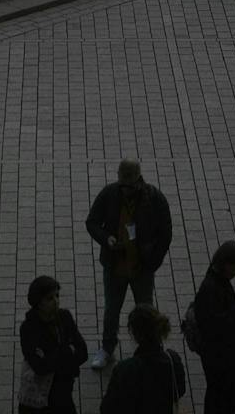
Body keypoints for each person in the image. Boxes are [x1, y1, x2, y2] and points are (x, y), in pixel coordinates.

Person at [85, 158, 174, 370]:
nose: (125, 190)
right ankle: (107, 348)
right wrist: (106, 239)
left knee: (145, 309)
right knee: (111, 310)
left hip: (141, 267)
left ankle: (151, 348)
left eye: (130, 186)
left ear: (138, 180)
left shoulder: (154, 199)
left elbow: (165, 233)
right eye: (123, 185)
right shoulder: (109, 194)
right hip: (115, 266)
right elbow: (92, 222)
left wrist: (153, 262)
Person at [190, 241, 235, 414]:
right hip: (219, 357)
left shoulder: (217, 280)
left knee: (223, 395)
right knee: (221, 397)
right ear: (227, 264)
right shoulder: (210, 288)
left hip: (223, 356)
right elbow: (215, 325)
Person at [19, 274, 89, 414]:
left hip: (63, 390)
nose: (56, 301)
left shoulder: (65, 317)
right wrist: (68, 351)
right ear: (38, 302)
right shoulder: (29, 328)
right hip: (38, 397)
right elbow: (39, 367)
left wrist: (51, 357)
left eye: (57, 296)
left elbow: (83, 353)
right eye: (50, 298)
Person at [99, 303, 188, 413]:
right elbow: (180, 390)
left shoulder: (124, 369)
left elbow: (107, 408)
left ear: (135, 334)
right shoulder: (172, 360)